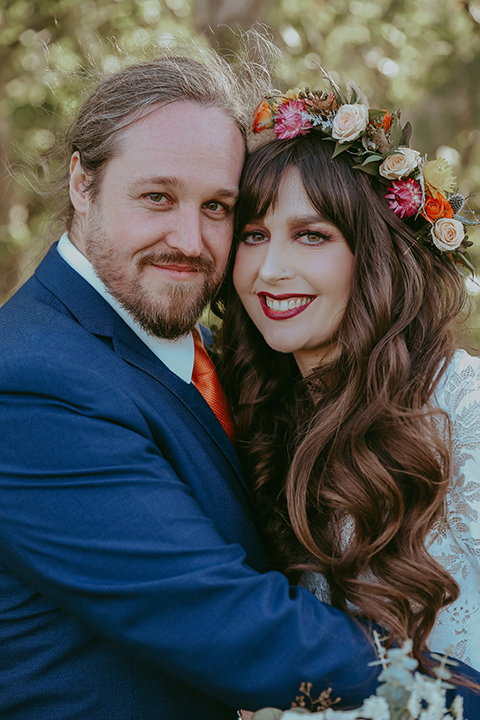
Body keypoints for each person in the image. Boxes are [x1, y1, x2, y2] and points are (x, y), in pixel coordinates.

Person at [0, 45, 441, 720]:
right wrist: (452, 694)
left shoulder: (227, 360)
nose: (190, 239)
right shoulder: (31, 382)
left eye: (218, 207)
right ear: (81, 183)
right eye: (156, 197)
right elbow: (229, 620)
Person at [217, 73, 480, 691]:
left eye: (312, 236)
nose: (270, 270)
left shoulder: (464, 408)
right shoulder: (256, 415)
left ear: (375, 255)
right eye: (253, 236)